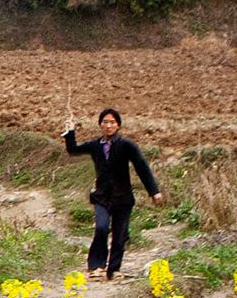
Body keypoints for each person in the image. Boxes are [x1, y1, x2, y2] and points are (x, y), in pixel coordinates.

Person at [62, 107, 163, 282]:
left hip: (122, 198)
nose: (108, 125)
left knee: (119, 235)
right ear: (100, 125)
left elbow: (142, 167)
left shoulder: (126, 146)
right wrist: (70, 131)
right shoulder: (95, 146)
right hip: (101, 197)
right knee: (101, 228)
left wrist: (154, 191)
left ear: (118, 125)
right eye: (105, 122)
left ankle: (113, 270)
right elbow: (73, 150)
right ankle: (96, 266)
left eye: (112, 122)